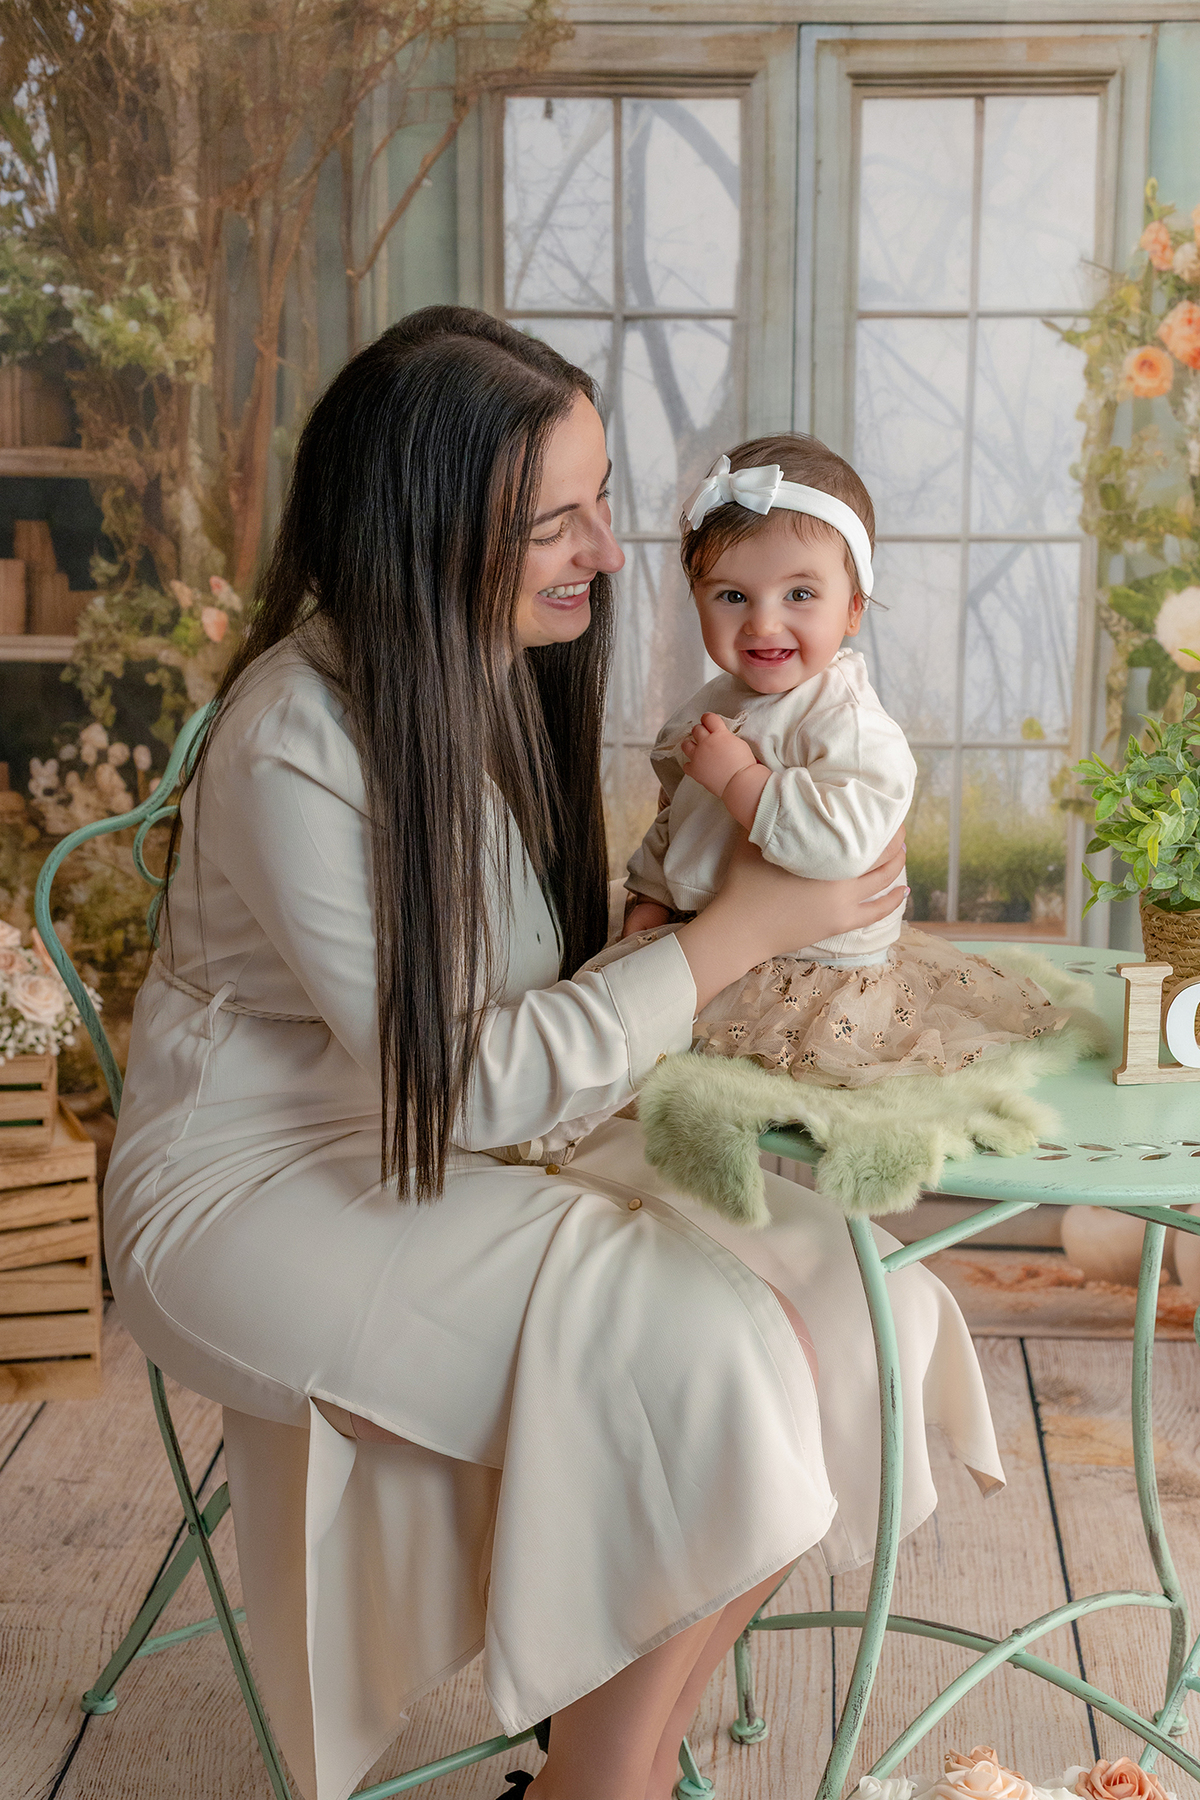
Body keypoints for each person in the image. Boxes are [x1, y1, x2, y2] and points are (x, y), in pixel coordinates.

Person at [102, 309, 1004, 1800]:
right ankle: (609, 1783)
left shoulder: (488, 664)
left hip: (496, 1127)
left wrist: (717, 910)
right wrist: (747, 926)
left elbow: (546, 1001)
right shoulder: (295, 740)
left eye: (601, 498)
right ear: (429, 527)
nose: (604, 546)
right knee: (710, 1354)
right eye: (558, 520)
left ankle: (607, 1766)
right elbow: (461, 1078)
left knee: (867, 1303)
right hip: (269, 1181)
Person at [598, 435, 1079, 1088]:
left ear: (853, 607)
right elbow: (678, 818)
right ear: (697, 599)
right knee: (632, 1066)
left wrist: (741, 779)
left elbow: (842, 847)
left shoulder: (845, 721)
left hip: (814, 968)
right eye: (733, 596)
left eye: (799, 594)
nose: (763, 624)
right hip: (713, 942)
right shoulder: (709, 706)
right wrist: (649, 898)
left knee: (786, 1102)